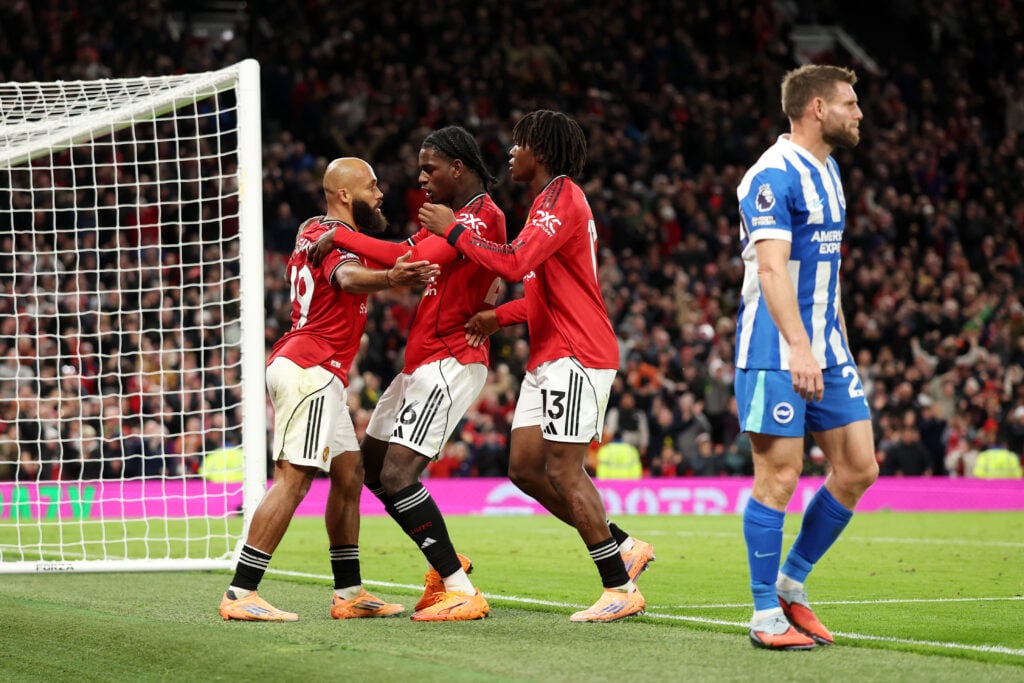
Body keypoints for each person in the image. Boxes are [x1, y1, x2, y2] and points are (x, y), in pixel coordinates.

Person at [420, 110, 653, 623]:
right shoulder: (544, 204)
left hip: (578, 352)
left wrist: (455, 231)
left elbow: (511, 264)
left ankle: (619, 587)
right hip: (550, 352)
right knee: (525, 468)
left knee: (564, 470)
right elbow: (538, 292)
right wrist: (498, 316)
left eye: (518, 143)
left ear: (540, 152)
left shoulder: (563, 197)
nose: (510, 153)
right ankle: (622, 545)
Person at [218, 157, 439, 622]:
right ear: (343, 193)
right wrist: (391, 279)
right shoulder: (330, 238)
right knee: (294, 479)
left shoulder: (318, 230)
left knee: (349, 473)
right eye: (372, 185)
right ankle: (241, 592)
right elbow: (346, 278)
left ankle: (349, 591)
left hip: (318, 370)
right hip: (309, 368)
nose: (381, 193)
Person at [310, 126, 505, 621]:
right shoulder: (449, 218)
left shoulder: (483, 216)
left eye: (430, 168)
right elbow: (402, 253)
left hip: (452, 360)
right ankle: (445, 567)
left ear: (458, 167)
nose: (421, 179)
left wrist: (342, 235)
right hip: (420, 362)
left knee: (398, 473)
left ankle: (461, 588)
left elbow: (414, 259)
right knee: (372, 469)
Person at [733, 65, 878, 649]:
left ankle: (792, 586)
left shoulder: (832, 170)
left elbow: (827, 274)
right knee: (780, 476)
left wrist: (836, 345)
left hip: (827, 346)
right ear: (817, 108)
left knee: (859, 468)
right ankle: (765, 613)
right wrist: (798, 346)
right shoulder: (771, 174)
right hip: (774, 347)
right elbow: (771, 270)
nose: (858, 112)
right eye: (850, 102)